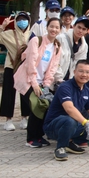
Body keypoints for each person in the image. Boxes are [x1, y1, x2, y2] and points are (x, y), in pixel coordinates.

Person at [14, 16, 63, 148]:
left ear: (60, 30)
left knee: (45, 105)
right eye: (51, 26)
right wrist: (35, 84)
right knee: (37, 107)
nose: (54, 29)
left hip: (42, 83)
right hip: (27, 80)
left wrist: (46, 85)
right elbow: (31, 64)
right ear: (47, 27)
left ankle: (39, 136)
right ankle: (31, 138)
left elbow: (52, 69)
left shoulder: (57, 46)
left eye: (57, 27)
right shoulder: (36, 41)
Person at [0, 11, 32, 131]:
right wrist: (2, 26)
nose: (22, 22)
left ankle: (25, 118)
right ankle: (8, 120)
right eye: (19, 19)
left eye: (24, 19)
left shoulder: (32, 34)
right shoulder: (9, 34)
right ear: (15, 21)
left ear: (29, 21)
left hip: (26, 67)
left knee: (26, 93)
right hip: (11, 67)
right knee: (8, 93)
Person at [55, 15, 89, 83]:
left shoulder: (84, 46)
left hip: (71, 80)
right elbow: (54, 61)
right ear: (74, 26)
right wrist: (59, 78)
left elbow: (80, 64)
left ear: (87, 31)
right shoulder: (61, 38)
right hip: (56, 78)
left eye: (84, 29)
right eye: (79, 27)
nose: (80, 31)